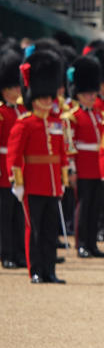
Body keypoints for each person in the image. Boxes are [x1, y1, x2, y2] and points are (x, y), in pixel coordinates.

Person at [6, 50, 69, 283]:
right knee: (34, 231)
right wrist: (17, 182)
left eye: (48, 96)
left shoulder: (56, 123)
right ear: (33, 97)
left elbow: (61, 154)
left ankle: (50, 270)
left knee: (50, 231)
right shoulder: (25, 124)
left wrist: (62, 180)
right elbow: (14, 155)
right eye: (42, 96)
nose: (46, 100)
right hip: (32, 184)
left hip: (52, 185)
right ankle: (35, 270)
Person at [63, 55, 104, 258]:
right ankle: (81, 243)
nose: (92, 96)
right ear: (78, 94)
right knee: (83, 207)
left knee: (96, 207)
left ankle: (92, 244)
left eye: (93, 92)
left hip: (98, 168)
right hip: (83, 167)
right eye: (87, 93)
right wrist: (72, 169)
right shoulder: (72, 116)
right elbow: (70, 145)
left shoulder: (100, 115)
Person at [0, 52, 28, 269]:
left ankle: (19, 252)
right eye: (13, 88)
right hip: (3, 169)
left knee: (20, 215)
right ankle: (6, 253)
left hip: (20, 168)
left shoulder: (21, 110)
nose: (17, 91)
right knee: (5, 216)